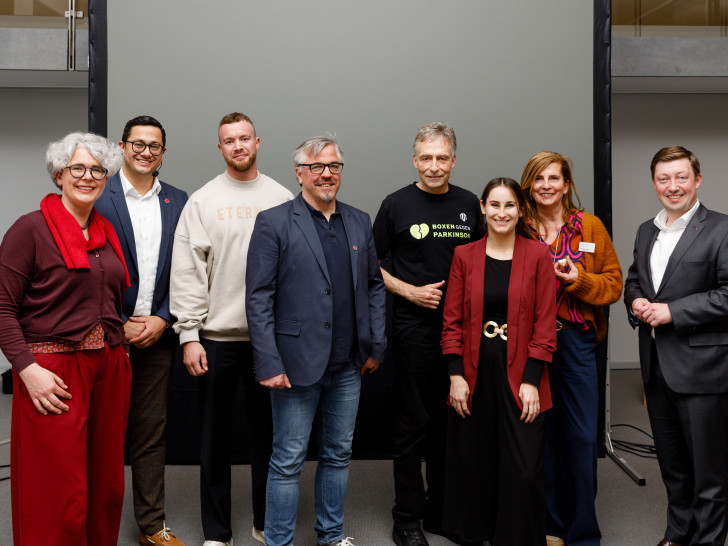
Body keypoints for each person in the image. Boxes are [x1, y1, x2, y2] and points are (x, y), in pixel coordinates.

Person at [246, 135, 386, 546]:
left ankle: (331, 535)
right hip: (293, 363)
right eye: (317, 167)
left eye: (334, 166)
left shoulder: (359, 220)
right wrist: (268, 362)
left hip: (348, 365)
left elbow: (375, 286)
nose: (327, 174)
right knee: (288, 460)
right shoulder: (274, 221)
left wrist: (375, 344)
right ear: (299, 174)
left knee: (339, 454)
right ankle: (279, 541)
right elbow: (258, 297)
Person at [0, 132, 130, 545]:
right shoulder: (30, 230)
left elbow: (106, 298)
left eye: (97, 169)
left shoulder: (106, 231)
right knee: (57, 489)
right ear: (59, 174)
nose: (88, 176)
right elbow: (3, 308)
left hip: (108, 366)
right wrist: (26, 370)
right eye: (78, 168)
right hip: (51, 371)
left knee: (105, 483)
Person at [170, 112, 293, 546]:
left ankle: (265, 523)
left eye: (244, 138)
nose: (238, 146)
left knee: (270, 440)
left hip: (270, 343)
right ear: (219, 148)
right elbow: (187, 273)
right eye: (229, 140)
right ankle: (217, 533)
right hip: (216, 340)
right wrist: (189, 336)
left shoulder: (282, 197)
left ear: (257, 142)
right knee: (213, 442)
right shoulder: (202, 201)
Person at [372, 122, 484, 546]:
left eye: (442, 158)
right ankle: (407, 519)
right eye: (426, 158)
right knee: (412, 426)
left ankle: (442, 511)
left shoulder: (472, 205)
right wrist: (409, 291)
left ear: (453, 160)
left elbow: (490, 259)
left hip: (465, 335)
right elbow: (370, 265)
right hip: (414, 332)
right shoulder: (396, 205)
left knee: (452, 424)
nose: (434, 166)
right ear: (415, 160)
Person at [440, 177, 556, 546]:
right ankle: (476, 533)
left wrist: (532, 379)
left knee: (523, 466)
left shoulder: (538, 255)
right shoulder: (465, 255)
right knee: (475, 459)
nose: (501, 213)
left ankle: (516, 536)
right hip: (474, 370)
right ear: (482, 208)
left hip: (521, 370)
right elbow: (451, 321)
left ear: (521, 210)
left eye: (509, 205)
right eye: (495, 205)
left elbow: (544, 324)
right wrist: (455, 375)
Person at [624, 146, 728, 546]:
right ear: (654, 184)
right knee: (674, 466)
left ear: (697, 180)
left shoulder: (720, 229)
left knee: (709, 472)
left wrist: (673, 312)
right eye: (664, 179)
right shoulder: (646, 230)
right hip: (656, 370)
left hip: (703, 372)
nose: (673, 186)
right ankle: (678, 533)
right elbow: (636, 280)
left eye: (681, 177)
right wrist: (635, 300)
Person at [520, 151, 622, 546]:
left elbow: (612, 285)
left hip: (577, 343)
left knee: (580, 438)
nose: (546, 185)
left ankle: (581, 533)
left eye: (554, 178)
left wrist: (578, 279)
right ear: (529, 183)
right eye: (538, 178)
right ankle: (550, 526)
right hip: (531, 346)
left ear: (566, 184)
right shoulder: (519, 228)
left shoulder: (590, 227)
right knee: (539, 434)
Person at [95, 115, 188, 546]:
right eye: (138, 143)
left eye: (155, 145)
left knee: (150, 433)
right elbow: (87, 270)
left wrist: (164, 318)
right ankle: (95, 526)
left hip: (158, 336)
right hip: (105, 337)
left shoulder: (179, 200)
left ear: (163, 153)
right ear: (122, 147)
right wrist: (119, 324)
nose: (146, 151)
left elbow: (188, 270)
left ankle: (152, 525)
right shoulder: (99, 196)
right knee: (99, 433)